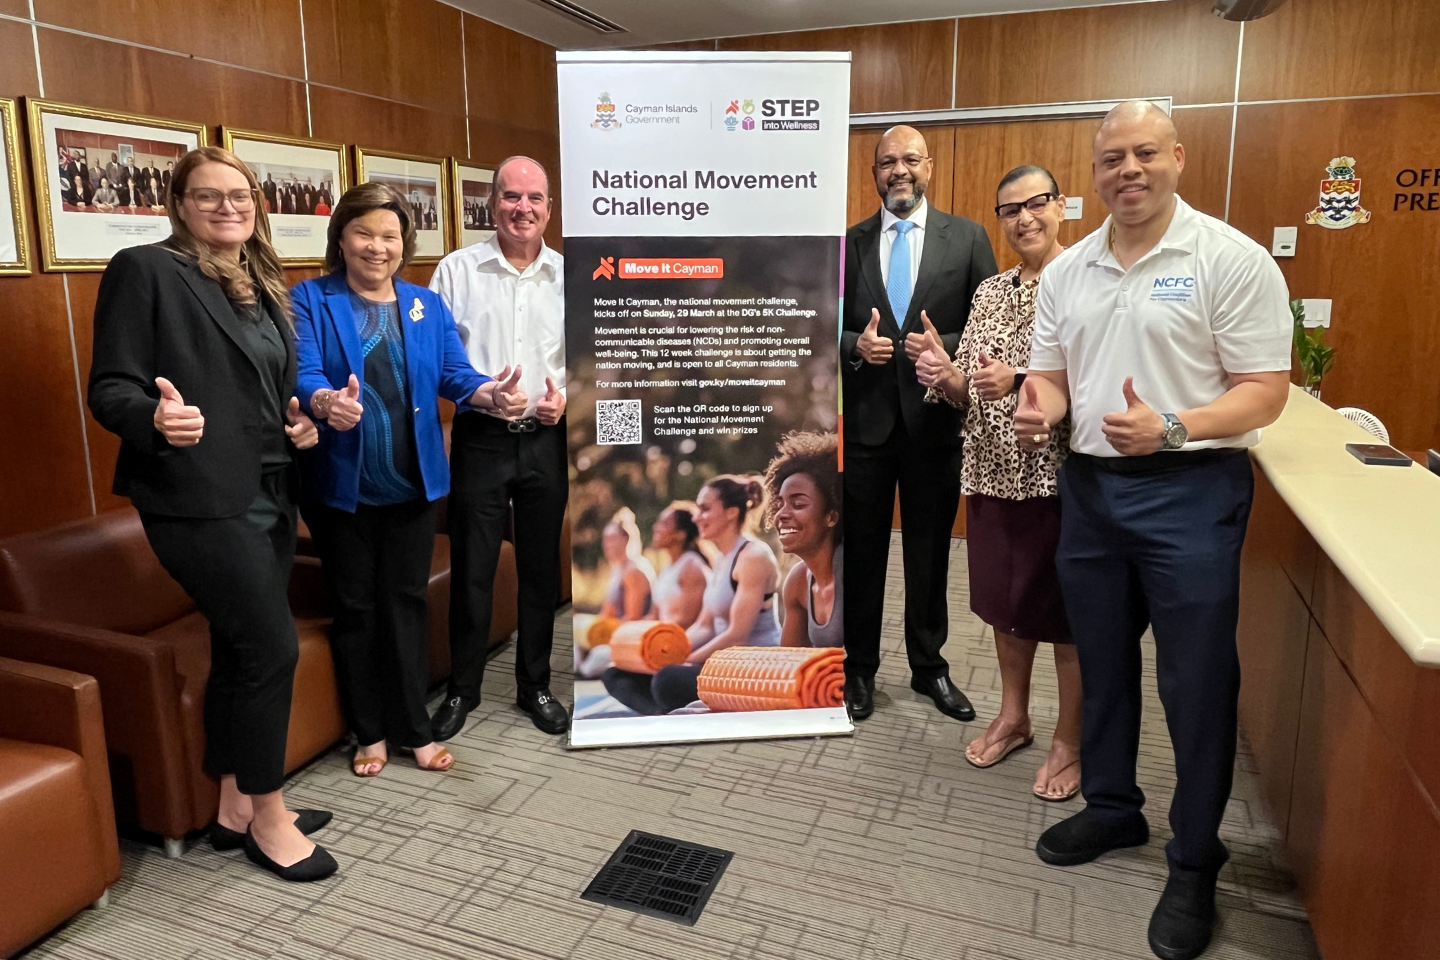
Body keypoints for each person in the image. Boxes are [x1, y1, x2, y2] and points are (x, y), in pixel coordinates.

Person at [1013, 101, 1291, 960]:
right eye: (1110, 159)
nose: (1126, 171)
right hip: (1092, 489)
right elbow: (1055, 376)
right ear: (1091, 174)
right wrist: (1038, 406)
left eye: (1143, 154)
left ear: (1176, 156)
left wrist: (1173, 426)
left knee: (1195, 681)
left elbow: (1264, 390)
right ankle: (1111, 809)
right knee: (1100, 658)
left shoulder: (1229, 259)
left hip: (1192, 488)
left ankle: (1196, 858)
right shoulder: (1069, 270)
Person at [87, 146, 336, 883]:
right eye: (208, 196)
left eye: (240, 195)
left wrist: (304, 420)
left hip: (269, 488)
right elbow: (110, 388)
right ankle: (268, 816)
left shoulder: (262, 282)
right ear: (179, 204)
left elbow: (269, 391)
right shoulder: (147, 269)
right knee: (271, 647)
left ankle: (231, 803)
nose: (228, 207)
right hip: (195, 496)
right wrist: (156, 420)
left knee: (238, 647)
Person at [291, 181, 523, 780]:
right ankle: (368, 732)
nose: (377, 247)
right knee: (356, 609)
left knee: (407, 605)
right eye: (364, 233)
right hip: (341, 488)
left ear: (404, 243)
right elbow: (305, 371)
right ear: (340, 237)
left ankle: (412, 729)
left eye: (389, 236)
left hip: (414, 486)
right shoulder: (309, 299)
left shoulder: (424, 305)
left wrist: (489, 393)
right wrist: (322, 402)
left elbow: (453, 372)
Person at [916, 165, 1082, 802]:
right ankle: (1015, 716)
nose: (1024, 219)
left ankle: (1071, 738)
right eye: (1009, 210)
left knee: (1063, 615)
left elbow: (1094, 379)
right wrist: (944, 373)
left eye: (1035, 204)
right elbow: (967, 390)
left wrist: (1021, 381)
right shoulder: (989, 291)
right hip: (988, 472)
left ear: (1060, 205)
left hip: (1057, 477)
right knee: (1006, 607)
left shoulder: (1087, 280)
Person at [841, 124, 997, 723]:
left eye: (909, 159)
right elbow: (818, 322)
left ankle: (929, 668)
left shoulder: (969, 238)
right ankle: (857, 670)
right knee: (864, 554)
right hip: (866, 429)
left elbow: (990, 322)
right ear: (874, 173)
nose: (898, 170)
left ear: (928, 166)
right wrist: (857, 343)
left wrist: (942, 348)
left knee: (930, 554)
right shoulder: (848, 243)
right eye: (886, 162)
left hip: (935, 425)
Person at [428, 156, 569, 738]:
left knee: (540, 570)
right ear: (493, 203)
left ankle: (534, 684)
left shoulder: (571, 274)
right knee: (474, 569)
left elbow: (592, 358)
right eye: (511, 197)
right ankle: (463, 690)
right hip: (481, 441)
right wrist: (483, 395)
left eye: (534, 199)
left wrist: (570, 399)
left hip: (547, 439)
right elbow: (434, 360)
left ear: (549, 208)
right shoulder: (456, 271)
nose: (523, 209)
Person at [601, 476, 780, 715]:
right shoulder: (721, 560)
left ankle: (670, 710)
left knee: (667, 679)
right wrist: (669, 654)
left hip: (753, 669)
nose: (696, 518)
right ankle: (665, 716)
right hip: (721, 665)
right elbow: (704, 625)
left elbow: (737, 635)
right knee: (615, 674)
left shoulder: (753, 557)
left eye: (705, 509)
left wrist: (686, 661)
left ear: (731, 512)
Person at [766, 432, 843, 649]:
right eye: (780, 503)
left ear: (831, 516)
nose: (781, 514)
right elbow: (789, 663)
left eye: (798, 504)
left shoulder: (854, 569)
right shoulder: (798, 581)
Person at [648, 502, 709, 629]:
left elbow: (687, 621)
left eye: (664, 523)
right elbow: (654, 616)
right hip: (662, 638)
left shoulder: (692, 567)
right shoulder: (668, 567)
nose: (656, 527)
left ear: (680, 534)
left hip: (680, 641)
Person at [597, 508, 656, 621]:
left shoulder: (634, 571)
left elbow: (633, 617)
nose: (606, 545)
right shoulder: (618, 570)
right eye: (605, 539)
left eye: (612, 538)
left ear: (626, 539)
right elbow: (607, 613)